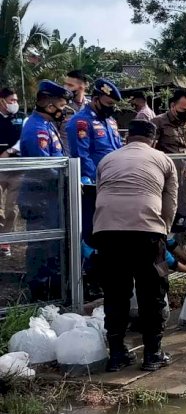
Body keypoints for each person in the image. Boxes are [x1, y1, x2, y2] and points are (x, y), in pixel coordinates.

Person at [93, 120, 178, 372]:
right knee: (152, 292)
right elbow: (170, 203)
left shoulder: (107, 159)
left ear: (127, 137)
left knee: (115, 292)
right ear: (153, 140)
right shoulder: (163, 160)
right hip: (147, 233)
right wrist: (164, 230)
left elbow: (101, 194)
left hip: (107, 233)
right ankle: (153, 354)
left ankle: (117, 355)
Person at [18, 80, 70, 300]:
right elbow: (45, 165)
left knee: (54, 248)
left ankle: (53, 292)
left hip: (51, 197)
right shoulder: (36, 128)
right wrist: (68, 175)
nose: (63, 110)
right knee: (41, 248)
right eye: (61, 105)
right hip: (39, 198)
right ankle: (39, 295)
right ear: (49, 105)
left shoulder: (47, 125)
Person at [67, 78, 124, 246]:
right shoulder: (81, 122)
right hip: (93, 185)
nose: (110, 107)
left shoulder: (110, 121)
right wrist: (98, 178)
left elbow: (118, 148)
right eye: (108, 103)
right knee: (91, 228)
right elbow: (81, 156)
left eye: (113, 104)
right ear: (95, 99)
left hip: (114, 182)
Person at [0, 87, 25, 257]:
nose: (14, 104)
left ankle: (5, 240)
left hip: (17, 167)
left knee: (12, 207)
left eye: (16, 100)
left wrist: (10, 150)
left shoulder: (22, 118)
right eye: (11, 101)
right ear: (1, 101)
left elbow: (26, 138)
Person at [152, 89, 186, 154]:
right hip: (168, 162)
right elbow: (151, 147)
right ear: (173, 106)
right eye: (183, 109)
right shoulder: (158, 122)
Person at [60, 70, 90, 152]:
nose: (66, 88)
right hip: (67, 156)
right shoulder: (61, 107)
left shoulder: (90, 107)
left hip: (86, 156)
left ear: (82, 87)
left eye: (70, 85)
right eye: (65, 84)